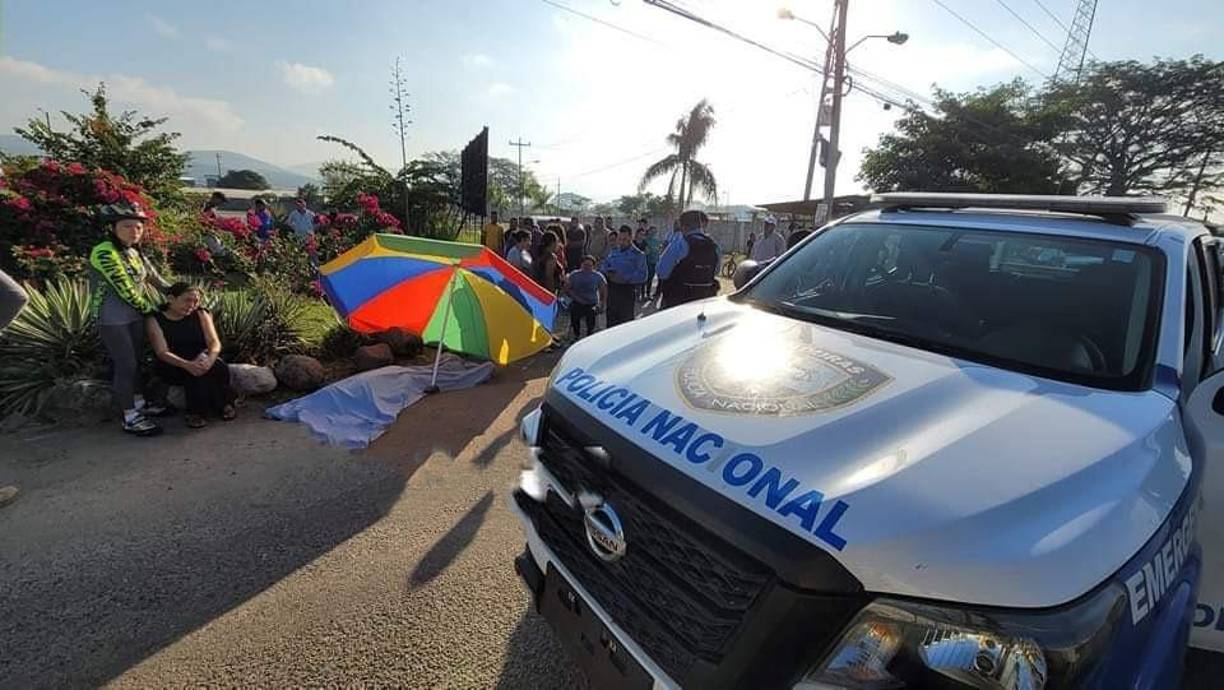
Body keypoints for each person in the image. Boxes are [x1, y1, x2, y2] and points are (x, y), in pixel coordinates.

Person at [89, 201, 173, 436]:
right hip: (112, 317)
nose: (134, 231)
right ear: (112, 228)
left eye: (138, 227)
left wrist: (180, 294)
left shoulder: (134, 252)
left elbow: (155, 279)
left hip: (134, 315)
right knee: (125, 365)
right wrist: (153, 308)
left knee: (136, 361)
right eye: (127, 226)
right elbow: (123, 287)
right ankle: (129, 416)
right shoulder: (104, 251)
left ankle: (138, 404)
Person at [146, 283, 236, 429]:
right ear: (171, 299)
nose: (192, 305)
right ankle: (196, 412)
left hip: (201, 356)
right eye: (187, 300)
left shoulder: (201, 313)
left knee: (218, 367)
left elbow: (214, 343)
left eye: (196, 301)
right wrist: (187, 365)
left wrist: (210, 360)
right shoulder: (155, 320)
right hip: (173, 362)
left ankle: (225, 404)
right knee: (193, 374)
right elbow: (162, 352)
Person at [656, 209, 720, 309]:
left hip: (677, 302)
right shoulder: (714, 246)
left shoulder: (679, 243)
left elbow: (661, 272)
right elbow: (716, 272)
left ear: (682, 226)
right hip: (703, 303)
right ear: (700, 225)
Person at [600, 225, 648, 327]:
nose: (622, 242)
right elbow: (604, 265)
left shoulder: (638, 255)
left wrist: (625, 278)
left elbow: (643, 275)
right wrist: (607, 272)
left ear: (631, 238)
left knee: (625, 323)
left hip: (627, 291)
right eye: (620, 239)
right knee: (611, 322)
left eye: (625, 239)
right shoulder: (614, 251)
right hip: (612, 290)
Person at [563, 256, 607, 340]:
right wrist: (576, 298)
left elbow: (604, 290)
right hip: (577, 301)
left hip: (591, 303)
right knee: (574, 312)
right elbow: (567, 289)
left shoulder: (598, 276)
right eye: (585, 265)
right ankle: (576, 334)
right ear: (581, 265)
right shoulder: (574, 275)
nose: (587, 267)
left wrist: (602, 304)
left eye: (589, 265)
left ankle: (590, 334)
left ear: (593, 266)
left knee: (591, 314)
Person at [534, 228, 563, 293]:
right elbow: (549, 278)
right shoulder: (551, 258)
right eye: (557, 241)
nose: (558, 244)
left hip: (539, 288)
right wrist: (551, 294)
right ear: (552, 243)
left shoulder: (540, 254)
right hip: (547, 291)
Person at [642, 225, 662, 301]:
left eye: (654, 231)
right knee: (644, 279)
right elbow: (645, 251)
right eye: (652, 231)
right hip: (646, 262)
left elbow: (659, 249)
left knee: (650, 279)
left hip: (654, 262)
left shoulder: (657, 241)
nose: (653, 232)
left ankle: (648, 294)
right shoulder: (645, 240)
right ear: (649, 231)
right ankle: (643, 294)